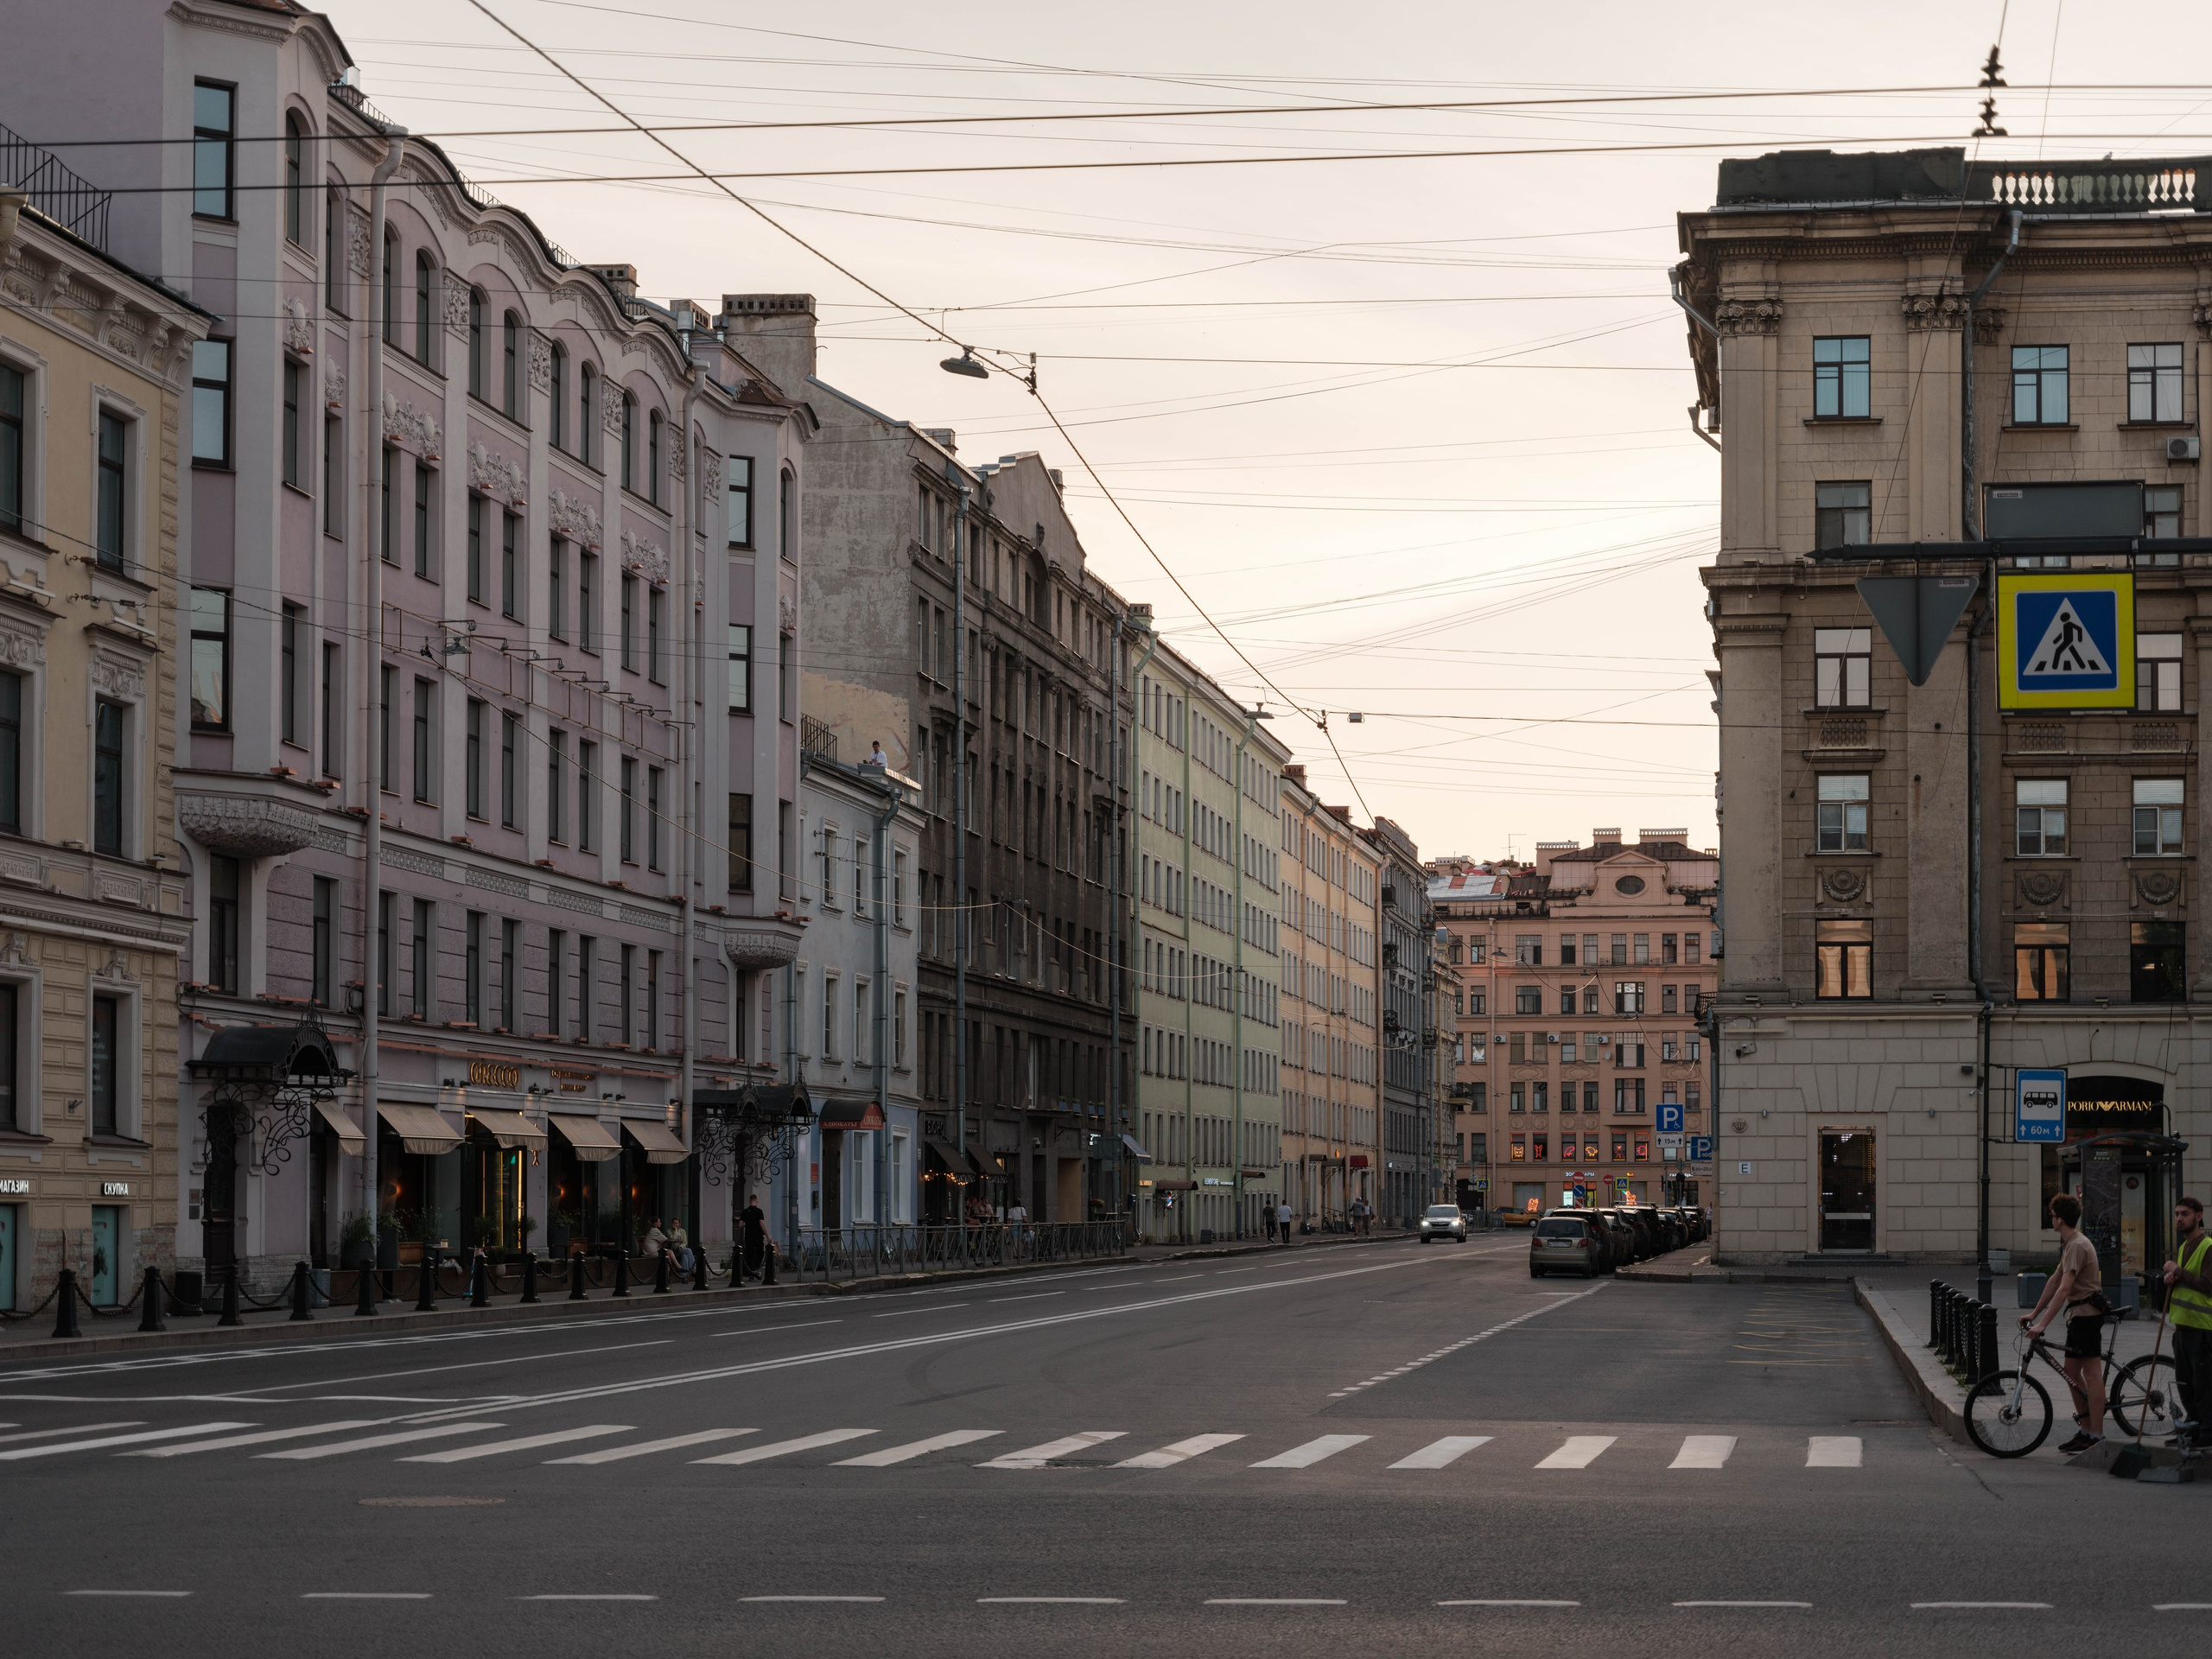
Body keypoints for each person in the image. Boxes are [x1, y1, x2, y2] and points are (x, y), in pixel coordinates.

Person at [2024, 1192, 2108, 1454]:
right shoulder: (2070, 1244)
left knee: (2091, 1374)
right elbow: (2053, 1282)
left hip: (2086, 1316)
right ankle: (2085, 1430)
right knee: (2071, 1373)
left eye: (2052, 1215)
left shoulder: (2077, 1245)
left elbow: (2064, 1289)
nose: (2051, 1219)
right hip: (2077, 1317)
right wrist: (2034, 1314)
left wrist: (2043, 1325)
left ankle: (2097, 1434)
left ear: (2059, 1219)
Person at [2163, 1195, 2212, 1443]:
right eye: (2177, 1214)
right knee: (2185, 1384)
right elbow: (2184, 1280)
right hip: (2181, 1326)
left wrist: (2177, 1271)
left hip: (2202, 1329)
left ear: (2198, 1216)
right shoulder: (2183, 1248)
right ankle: (2193, 1428)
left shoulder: (2208, 1246)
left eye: (2185, 1214)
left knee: (2203, 1386)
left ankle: (2207, 1434)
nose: (2179, 1218)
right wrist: (2172, 1278)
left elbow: (2207, 1285)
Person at [740, 1194, 767, 1281]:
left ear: (749, 1201)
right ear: (757, 1201)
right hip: (758, 1236)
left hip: (748, 1236)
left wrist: (746, 1224)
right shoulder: (759, 1211)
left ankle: (752, 1273)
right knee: (760, 1253)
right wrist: (767, 1235)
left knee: (750, 1254)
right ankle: (756, 1270)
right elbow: (762, 1224)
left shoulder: (745, 1211)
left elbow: (740, 1225)